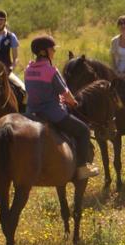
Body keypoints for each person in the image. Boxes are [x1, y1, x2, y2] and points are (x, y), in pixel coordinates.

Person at [24, 35, 100, 180]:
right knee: (83, 130)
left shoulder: (28, 70)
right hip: (53, 113)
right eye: (52, 49)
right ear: (43, 52)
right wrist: (73, 102)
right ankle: (82, 167)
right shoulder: (51, 71)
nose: (54, 51)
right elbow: (65, 94)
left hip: (31, 113)